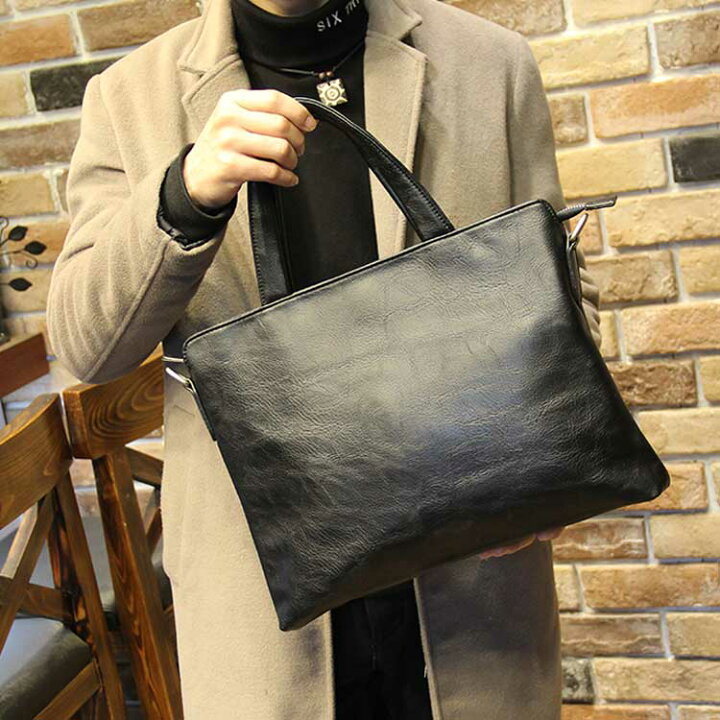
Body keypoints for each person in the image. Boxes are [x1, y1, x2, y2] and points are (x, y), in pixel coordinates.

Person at [45, 0, 602, 717]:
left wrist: (562, 441)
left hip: (475, 577)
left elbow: (559, 284)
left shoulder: (489, 63)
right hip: (258, 598)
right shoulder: (130, 97)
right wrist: (184, 195)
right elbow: (87, 346)